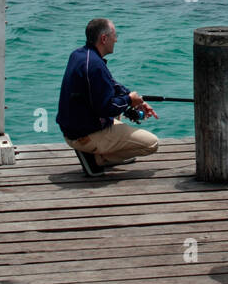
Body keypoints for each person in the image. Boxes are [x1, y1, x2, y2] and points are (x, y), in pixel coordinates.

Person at [56, 18, 159, 176]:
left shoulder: (79, 54)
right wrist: (129, 100)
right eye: (114, 36)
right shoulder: (95, 66)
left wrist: (135, 100)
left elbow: (111, 85)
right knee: (152, 144)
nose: (116, 40)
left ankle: (95, 150)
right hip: (84, 135)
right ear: (104, 38)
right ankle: (97, 159)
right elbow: (107, 108)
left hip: (71, 129)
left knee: (116, 103)